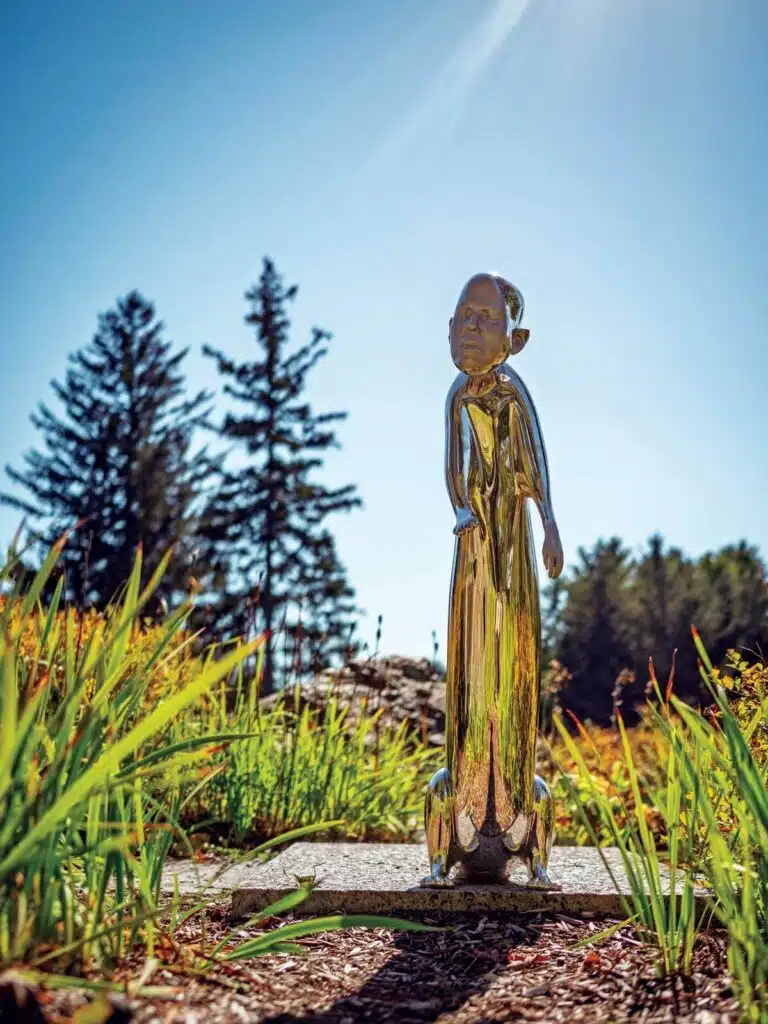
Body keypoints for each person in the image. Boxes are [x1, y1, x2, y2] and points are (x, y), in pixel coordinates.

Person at [422, 272, 564, 888]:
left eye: (484, 318)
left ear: (516, 338)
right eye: (462, 317)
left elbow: (535, 458)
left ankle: (525, 841)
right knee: (471, 665)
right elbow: (453, 461)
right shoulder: (459, 393)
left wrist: (550, 523)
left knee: (512, 662)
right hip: (472, 543)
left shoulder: (511, 391)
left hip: (510, 547)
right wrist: (461, 507)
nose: (469, 328)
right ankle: (446, 844)